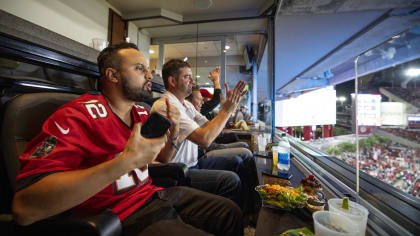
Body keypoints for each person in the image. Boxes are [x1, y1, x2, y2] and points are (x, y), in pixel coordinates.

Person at [11, 42, 243, 236]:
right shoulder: (77, 115)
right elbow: (25, 208)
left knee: (229, 211)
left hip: (150, 194)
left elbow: (163, 159)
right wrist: (124, 162)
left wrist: (172, 136)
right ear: (112, 75)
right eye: (140, 69)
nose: (150, 75)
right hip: (116, 216)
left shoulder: (141, 113)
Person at [152, 59, 260, 223]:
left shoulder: (186, 105)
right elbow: (204, 139)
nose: (192, 81)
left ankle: (252, 212)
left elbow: (209, 127)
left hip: (195, 161)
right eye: (187, 77)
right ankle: (236, 219)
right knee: (231, 180)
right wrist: (226, 111)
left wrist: (227, 110)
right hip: (179, 170)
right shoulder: (165, 105)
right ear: (172, 81)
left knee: (238, 161)